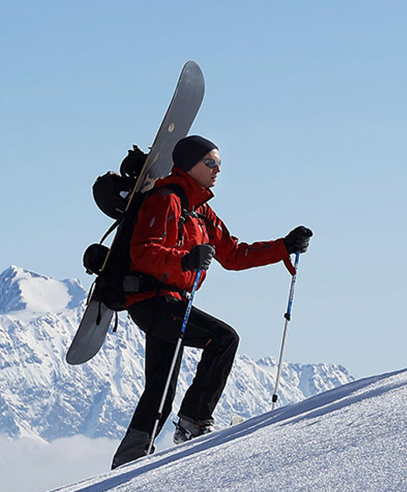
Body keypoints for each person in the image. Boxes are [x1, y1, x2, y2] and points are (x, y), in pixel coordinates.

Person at [110, 134, 311, 467]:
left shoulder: (201, 210)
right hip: (153, 301)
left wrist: (284, 246)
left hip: (173, 301)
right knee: (224, 339)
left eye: (219, 163)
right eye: (210, 163)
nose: (217, 169)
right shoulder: (166, 200)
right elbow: (143, 252)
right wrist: (185, 260)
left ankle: (131, 454)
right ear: (189, 165)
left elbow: (234, 254)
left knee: (161, 384)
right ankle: (194, 421)